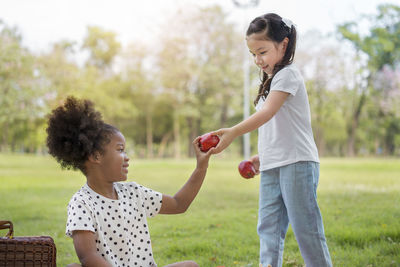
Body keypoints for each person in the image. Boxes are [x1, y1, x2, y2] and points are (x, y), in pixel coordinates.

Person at [209, 13, 332, 267]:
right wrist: (262, 157)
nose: (257, 60)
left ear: (283, 45)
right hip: (273, 166)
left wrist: (232, 132)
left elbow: (267, 114)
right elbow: (277, 129)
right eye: (253, 54)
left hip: (297, 164)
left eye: (262, 52)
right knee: (268, 229)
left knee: (305, 229)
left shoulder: (288, 74)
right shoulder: (271, 81)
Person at [46, 96, 213, 267]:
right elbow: (88, 257)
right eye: (120, 150)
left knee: (191, 266)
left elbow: (179, 204)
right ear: (96, 156)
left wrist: (201, 167)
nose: (127, 158)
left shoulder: (133, 192)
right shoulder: (81, 203)